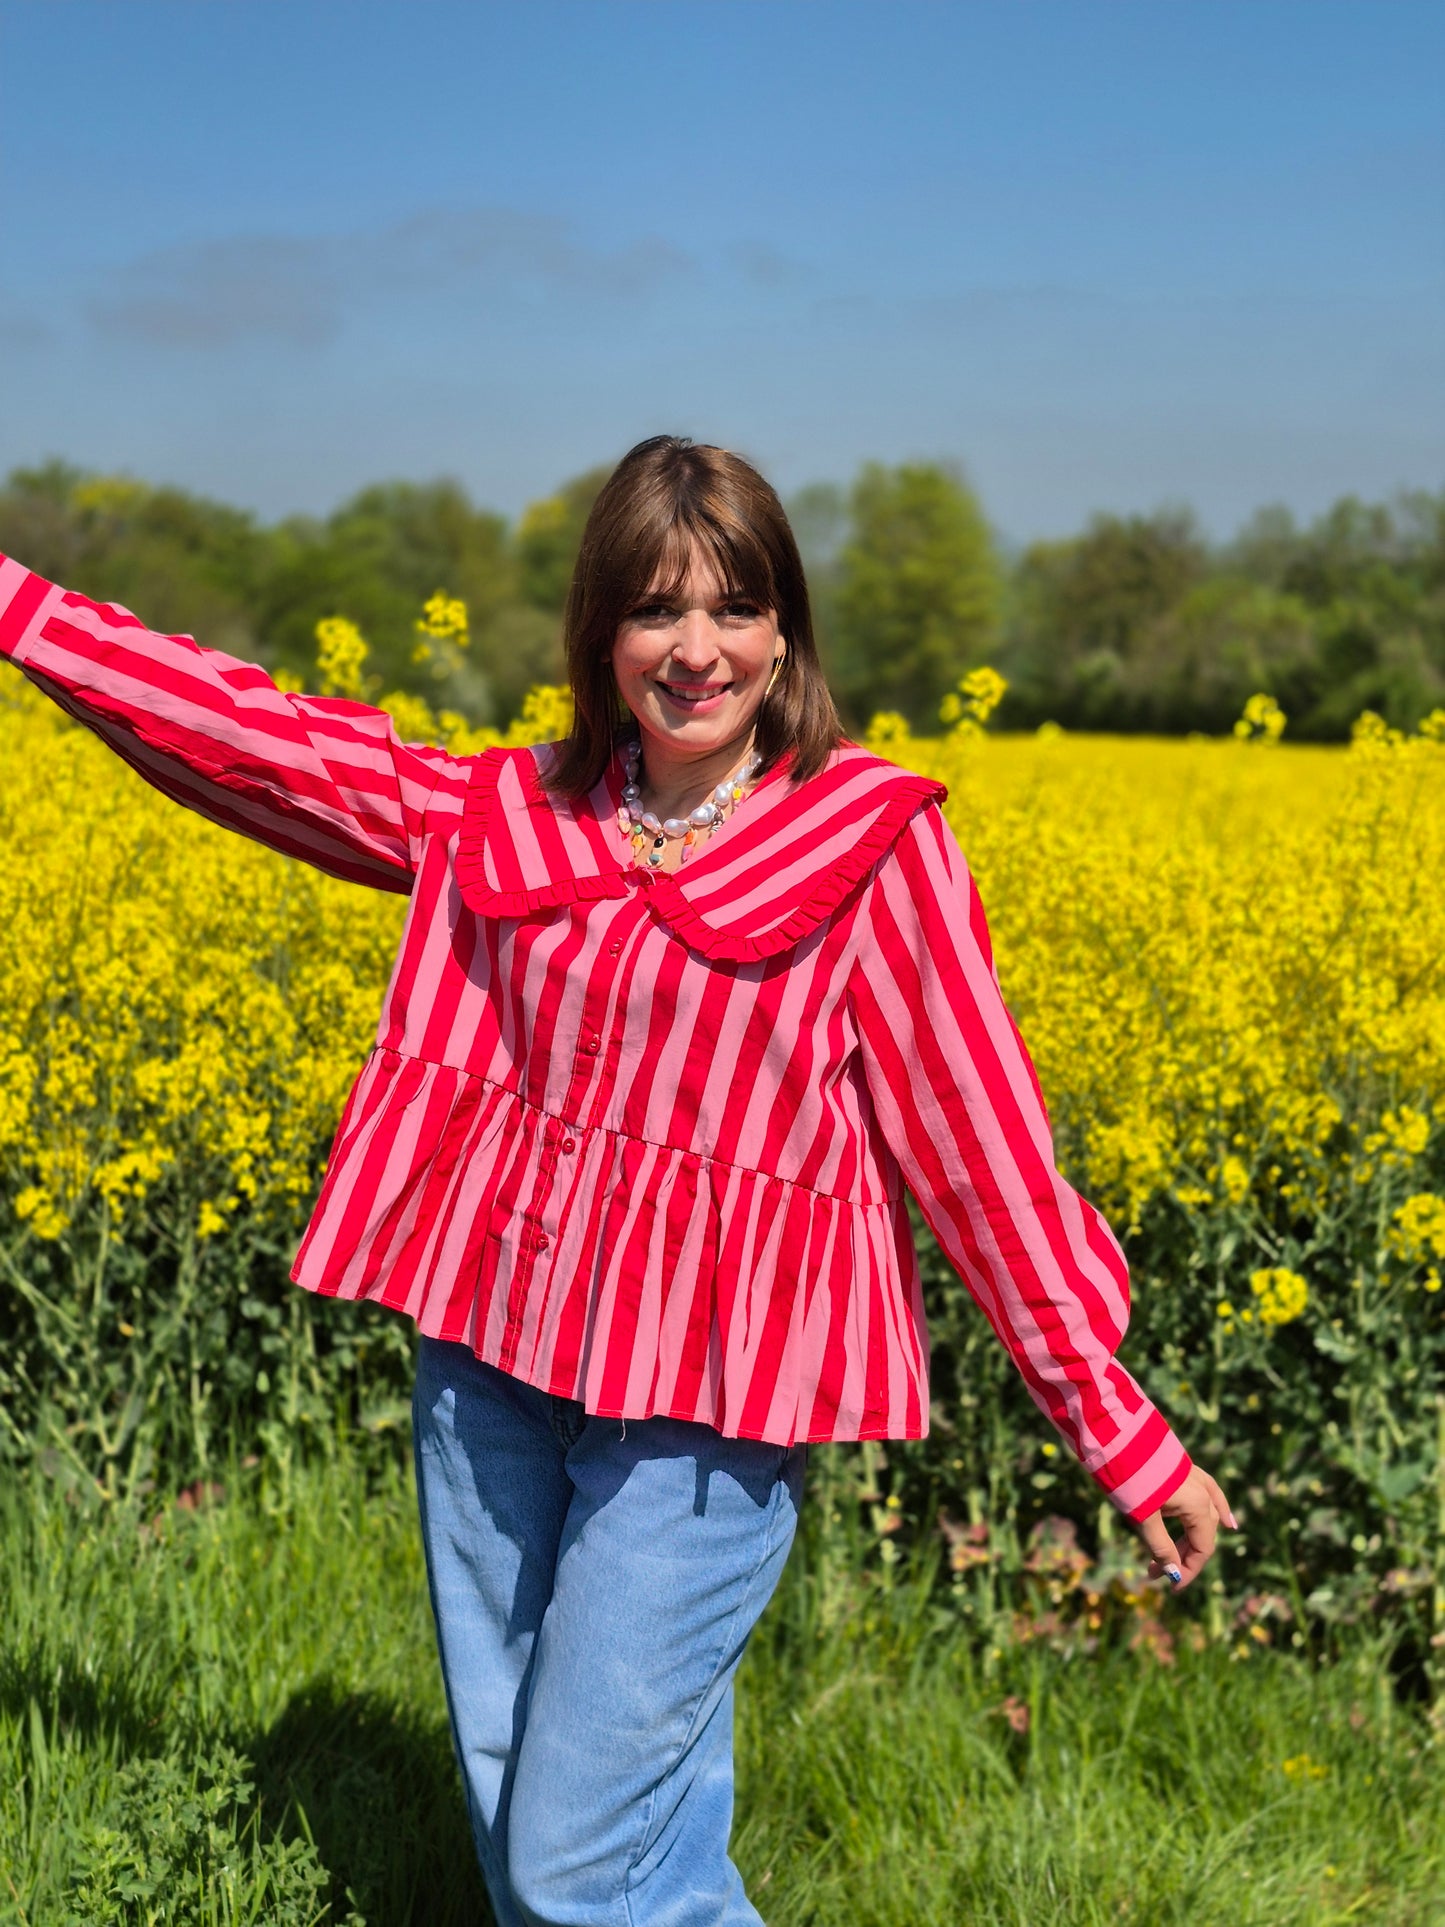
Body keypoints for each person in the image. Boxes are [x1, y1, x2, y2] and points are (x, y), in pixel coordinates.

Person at [0, 435, 1233, 1926]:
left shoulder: (869, 845)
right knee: (543, 1808)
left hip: (708, 1414)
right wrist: (20, 612)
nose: (696, 651)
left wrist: (1114, 1425)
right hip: (488, 1362)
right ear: (601, 635)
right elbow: (258, 738)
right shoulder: (508, 811)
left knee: (572, 1863)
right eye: (655, 611)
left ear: (785, 632)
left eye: (733, 608)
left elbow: (979, 1152)